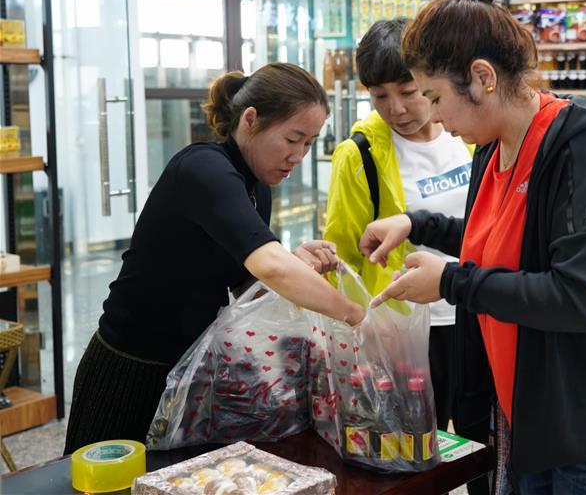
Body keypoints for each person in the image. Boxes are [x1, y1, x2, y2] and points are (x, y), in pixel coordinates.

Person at [360, 0, 586, 495]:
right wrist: (417, 223)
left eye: (434, 97)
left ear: (482, 78)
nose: (433, 118)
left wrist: (451, 282)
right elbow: (503, 240)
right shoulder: (492, 149)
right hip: (534, 415)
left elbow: (581, 296)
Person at [64, 63, 365, 454]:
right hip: (132, 366)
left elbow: (249, 285)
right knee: (106, 478)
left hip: (190, 368)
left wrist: (297, 262)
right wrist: (356, 317)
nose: (298, 156)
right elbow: (270, 266)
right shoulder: (203, 169)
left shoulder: (257, 187)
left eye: (308, 143)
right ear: (250, 120)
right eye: (293, 139)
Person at [324, 19, 490, 494]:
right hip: (405, 332)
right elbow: (343, 255)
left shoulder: (469, 132)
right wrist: (352, 334)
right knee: (409, 454)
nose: (395, 108)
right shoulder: (360, 154)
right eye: (379, 95)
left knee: (485, 443)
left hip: (477, 310)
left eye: (409, 91)